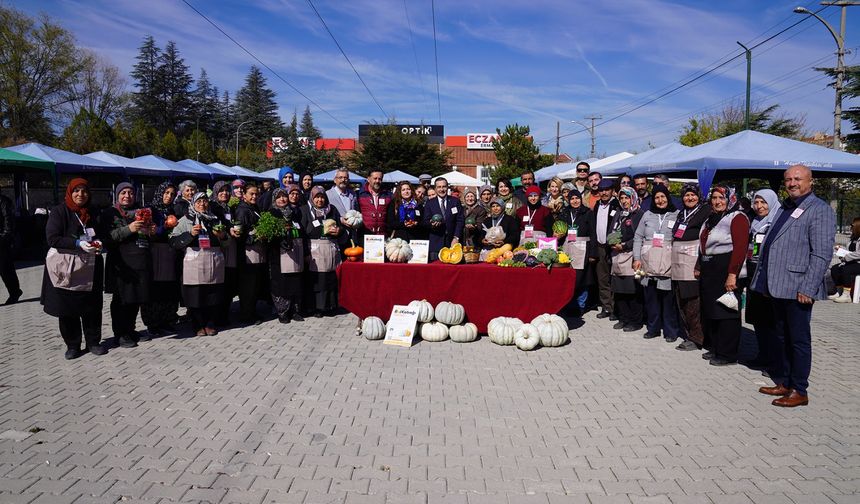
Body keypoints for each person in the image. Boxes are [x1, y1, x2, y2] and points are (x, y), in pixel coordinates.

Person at [752, 165, 836, 407]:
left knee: (798, 340)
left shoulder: (818, 210)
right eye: (788, 179)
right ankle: (785, 382)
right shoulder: (786, 208)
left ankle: (800, 389)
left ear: (810, 182)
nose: (792, 183)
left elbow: (821, 254)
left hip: (799, 287)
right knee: (782, 336)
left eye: (798, 179)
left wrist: (808, 288)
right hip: (777, 285)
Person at [42, 178, 107, 358]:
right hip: (66, 267)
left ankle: (93, 342)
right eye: (76, 191)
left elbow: (102, 233)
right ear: (70, 192)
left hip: (91, 267)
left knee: (92, 306)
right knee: (67, 308)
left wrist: (100, 242)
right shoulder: (59, 211)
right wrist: (77, 243)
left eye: (84, 191)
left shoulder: (93, 212)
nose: (81, 194)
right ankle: (73, 345)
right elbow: (52, 238)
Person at [696, 186, 749, 366]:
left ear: (730, 199)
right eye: (714, 198)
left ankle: (728, 354)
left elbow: (741, 248)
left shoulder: (738, 217)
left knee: (727, 311)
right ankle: (717, 348)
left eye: (721, 198)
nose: (717, 201)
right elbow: (703, 244)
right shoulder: (712, 218)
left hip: (727, 268)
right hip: (710, 269)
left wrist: (732, 274)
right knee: (713, 310)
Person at [102, 182, 156, 347]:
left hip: (140, 260)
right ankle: (121, 333)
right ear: (117, 195)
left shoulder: (142, 212)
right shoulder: (110, 213)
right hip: (121, 263)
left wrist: (151, 231)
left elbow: (147, 236)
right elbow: (108, 237)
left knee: (136, 298)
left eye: (131, 193)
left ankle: (131, 329)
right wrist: (129, 228)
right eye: (123, 192)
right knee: (121, 300)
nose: (127, 196)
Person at [169, 192, 227, 336]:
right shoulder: (185, 220)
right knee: (196, 295)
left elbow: (227, 242)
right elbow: (173, 241)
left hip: (213, 261)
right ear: (193, 203)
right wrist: (190, 234)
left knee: (212, 294)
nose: (202, 204)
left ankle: (209, 323)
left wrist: (222, 236)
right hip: (194, 262)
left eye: (205, 201)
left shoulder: (215, 219)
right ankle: (198, 324)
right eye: (199, 201)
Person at [633, 185, 682, 341]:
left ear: (668, 197)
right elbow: (638, 237)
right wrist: (636, 258)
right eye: (657, 198)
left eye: (663, 197)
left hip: (667, 262)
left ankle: (670, 331)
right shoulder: (647, 214)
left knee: (668, 300)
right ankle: (653, 328)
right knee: (651, 298)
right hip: (648, 262)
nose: (660, 200)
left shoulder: (677, 215)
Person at [670, 183, 711, 351]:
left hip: (693, 260)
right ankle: (688, 333)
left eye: (693, 195)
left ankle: (697, 337)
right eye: (686, 195)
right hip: (678, 260)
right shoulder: (681, 214)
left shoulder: (705, 211)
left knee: (693, 300)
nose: (689, 198)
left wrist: (700, 263)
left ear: (699, 196)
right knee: (682, 299)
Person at [745, 188, 780, 367]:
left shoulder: (777, 222)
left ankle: (775, 359)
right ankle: (763, 354)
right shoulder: (755, 222)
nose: (759, 206)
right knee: (758, 318)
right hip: (753, 271)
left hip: (769, 273)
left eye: (763, 202)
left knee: (771, 319)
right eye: (756, 202)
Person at [141, 181, 180, 336]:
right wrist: (165, 227)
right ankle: (152, 323)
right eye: (166, 193)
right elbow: (152, 231)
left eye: (172, 194)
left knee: (168, 288)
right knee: (154, 289)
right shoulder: (151, 210)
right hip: (155, 252)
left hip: (169, 252)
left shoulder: (172, 210)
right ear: (160, 193)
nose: (169, 196)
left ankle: (166, 320)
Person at [302, 186, 344, 316]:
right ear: (312, 198)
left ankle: (331, 305)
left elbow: (340, 226)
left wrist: (339, 231)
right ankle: (317, 307)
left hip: (331, 248)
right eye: (317, 197)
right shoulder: (305, 211)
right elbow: (303, 232)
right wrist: (306, 253)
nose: (320, 200)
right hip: (315, 250)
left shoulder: (332, 210)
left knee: (331, 278)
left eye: (322, 197)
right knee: (318, 280)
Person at [609, 187, 645, 331]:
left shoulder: (639, 214)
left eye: (627, 198)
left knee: (632, 291)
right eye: (622, 198)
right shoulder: (619, 214)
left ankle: (635, 321)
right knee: (619, 290)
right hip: (617, 256)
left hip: (631, 255)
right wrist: (611, 241)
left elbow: (639, 236)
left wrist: (624, 245)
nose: (624, 201)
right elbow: (612, 231)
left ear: (633, 198)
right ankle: (623, 318)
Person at [268, 186, 306, 324]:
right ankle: (283, 312)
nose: (282, 199)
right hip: (278, 254)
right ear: (274, 199)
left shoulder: (294, 212)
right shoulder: (272, 214)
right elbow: (268, 237)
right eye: (279, 197)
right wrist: (280, 238)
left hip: (295, 251)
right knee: (281, 283)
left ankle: (295, 311)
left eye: (284, 196)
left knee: (295, 281)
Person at [558, 189, 597, 314]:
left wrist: (592, 253)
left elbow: (593, 233)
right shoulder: (564, 213)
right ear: (568, 200)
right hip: (567, 247)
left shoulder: (588, 213)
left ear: (581, 199)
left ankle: (580, 305)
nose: (575, 201)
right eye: (572, 199)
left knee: (582, 278)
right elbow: (559, 230)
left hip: (583, 247)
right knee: (568, 276)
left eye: (577, 198)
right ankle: (568, 304)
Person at [235, 184, 268, 325]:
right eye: (252, 194)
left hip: (257, 252)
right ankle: (246, 315)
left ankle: (251, 311)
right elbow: (240, 235)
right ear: (244, 195)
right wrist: (255, 237)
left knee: (255, 285)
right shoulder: (242, 210)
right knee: (248, 286)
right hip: (248, 254)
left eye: (257, 194)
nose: (255, 196)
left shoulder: (254, 208)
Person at [209, 181, 241, 326]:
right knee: (219, 283)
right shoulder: (212, 207)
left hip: (231, 249)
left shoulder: (229, 208)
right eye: (221, 191)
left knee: (228, 282)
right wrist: (228, 230)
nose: (224, 193)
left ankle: (224, 314)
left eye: (227, 191)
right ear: (215, 192)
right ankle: (215, 316)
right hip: (219, 249)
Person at [592, 178, 621, 318]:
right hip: (599, 246)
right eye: (601, 190)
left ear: (612, 191)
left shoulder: (617, 205)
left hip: (613, 247)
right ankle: (606, 307)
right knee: (602, 278)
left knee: (614, 278)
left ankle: (616, 309)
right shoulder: (597, 205)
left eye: (607, 190)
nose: (604, 193)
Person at [423, 177, 464, 261]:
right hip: (436, 244)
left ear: (447, 187)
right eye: (439, 187)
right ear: (435, 189)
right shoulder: (429, 203)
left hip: (452, 243)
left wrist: (456, 238)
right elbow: (425, 221)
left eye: (444, 186)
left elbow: (460, 220)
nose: (442, 189)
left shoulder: (455, 201)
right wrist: (431, 224)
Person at [829, 216, 860, 303]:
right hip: (851, 262)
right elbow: (850, 250)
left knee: (846, 270)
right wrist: (840, 250)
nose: (851, 227)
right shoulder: (853, 238)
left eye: (852, 225)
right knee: (835, 268)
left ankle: (846, 294)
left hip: (858, 263)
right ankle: (839, 291)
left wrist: (846, 256)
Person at [0, 193, 22, 304]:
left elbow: (8, 220)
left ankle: (14, 292)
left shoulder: (3, 201)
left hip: (2, 241)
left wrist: (5, 237)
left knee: (5, 270)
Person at [357, 169, 392, 236]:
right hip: (365, 234)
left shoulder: (388, 195)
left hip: (382, 235)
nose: (377, 181)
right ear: (368, 179)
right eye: (375, 178)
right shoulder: (359, 194)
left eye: (380, 179)